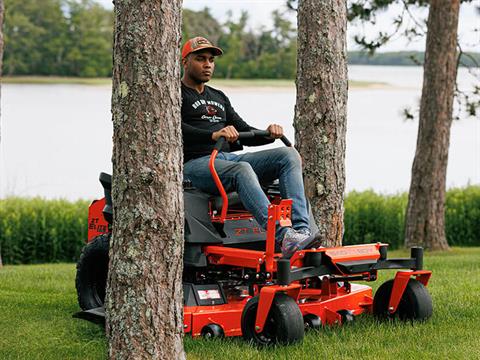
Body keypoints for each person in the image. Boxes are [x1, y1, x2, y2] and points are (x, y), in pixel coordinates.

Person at [181, 36, 319, 258]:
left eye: (211, 60)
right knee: (242, 168)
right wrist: (213, 134)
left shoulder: (218, 97)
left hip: (225, 160)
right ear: (185, 62)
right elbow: (177, 129)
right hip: (194, 165)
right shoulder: (174, 94)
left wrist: (269, 134)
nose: (208, 64)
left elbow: (244, 130)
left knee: (288, 155)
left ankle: (301, 232)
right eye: (200, 59)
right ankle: (282, 236)